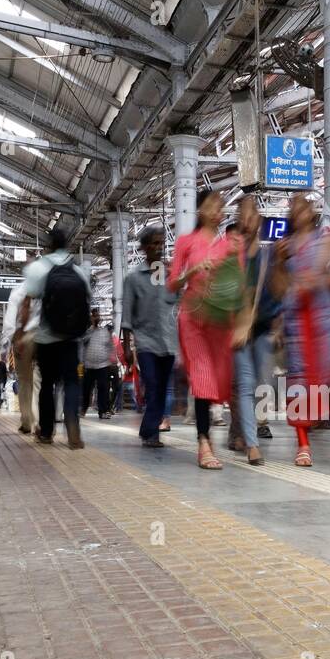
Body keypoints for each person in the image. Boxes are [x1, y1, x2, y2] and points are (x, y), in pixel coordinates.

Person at [168, 189, 243, 469]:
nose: (217, 211)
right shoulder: (186, 242)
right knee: (202, 378)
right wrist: (194, 269)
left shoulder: (227, 246)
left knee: (220, 381)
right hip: (193, 318)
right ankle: (203, 442)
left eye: (221, 206)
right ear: (200, 210)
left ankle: (210, 437)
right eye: (212, 205)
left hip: (220, 321)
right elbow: (173, 283)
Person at [272, 194, 330, 467]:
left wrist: (310, 279)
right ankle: (303, 443)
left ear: (312, 212)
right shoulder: (283, 247)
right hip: (297, 322)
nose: (299, 211)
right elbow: (279, 289)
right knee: (298, 382)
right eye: (294, 207)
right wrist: (279, 263)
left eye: (304, 206)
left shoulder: (324, 238)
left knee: (323, 378)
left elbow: (325, 267)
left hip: (322, 320)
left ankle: (309, 423)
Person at [20, 227, 91, 448]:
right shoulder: (78, 271)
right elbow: (86, 301)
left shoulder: (38, 268)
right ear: (66, 245)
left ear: (48, 246)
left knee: (47, 384)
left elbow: (27, 303)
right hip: (71, 338)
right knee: (71, 381)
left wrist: (22, 331)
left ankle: (47, 433)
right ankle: (72, 424)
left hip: (46, 337)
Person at [122, 225, 178, 448]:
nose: (158, 247)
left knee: (162, 388)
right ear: (144, 248)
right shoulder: (133, 278)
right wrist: (127, 347)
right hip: (145, 342)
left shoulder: (169, 275)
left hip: (168, 341)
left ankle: (148, 429)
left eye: (161, 243)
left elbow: (179, 302)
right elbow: (126, 315)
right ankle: (151, 432)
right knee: (153, 385)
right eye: (154, 243)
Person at [231, 196, 275, 465]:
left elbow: (279, 294)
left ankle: (243, 432)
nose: (247, 220)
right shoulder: (231, 255)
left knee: (263, 383)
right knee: (246, 384)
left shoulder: (268, 257)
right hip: (238, 331)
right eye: (242, 215)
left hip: (262, 329)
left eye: (252, 214)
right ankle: (252, 444)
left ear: (259, 220)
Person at [3, 280, 38, 433]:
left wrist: (15, 339)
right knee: (39, 381)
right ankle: (39, 422)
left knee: (24, 382)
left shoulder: (18, 290)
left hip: (23, 338)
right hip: (43, 338)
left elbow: (10, 321)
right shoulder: (48, 286)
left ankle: (26, 422)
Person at [81, 308, 115, 419]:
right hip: (89, 366)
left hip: (103, 366)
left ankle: (103, 411)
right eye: (94, 316)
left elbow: (110, 346)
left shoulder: (105, 332)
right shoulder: (87, 331)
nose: (96, 317)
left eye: (97, 316)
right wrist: (92, 327)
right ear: (91, 318)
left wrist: (112, 359)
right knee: (86, 389)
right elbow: (83, 342)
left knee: (103, 388)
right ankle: (83, 409)